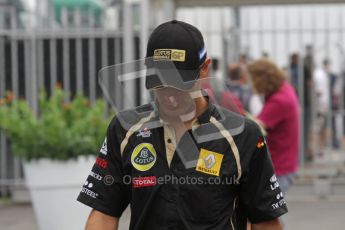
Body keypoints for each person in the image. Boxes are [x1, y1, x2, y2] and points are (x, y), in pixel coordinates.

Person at [77, 20, 287, 230]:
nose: (170, 96)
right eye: (160, 83)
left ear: (204, 68)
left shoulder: (242, 136)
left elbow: (265, 222)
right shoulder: (125, 130)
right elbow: (104, 213)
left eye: (179, 84)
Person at [248, 58, 300, 195]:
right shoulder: (285, 89)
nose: (251, 84)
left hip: (278, 167)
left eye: (252, 79)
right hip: (284, 164)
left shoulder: (279, 101)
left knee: (264, 214)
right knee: (266, 214)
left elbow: (255, 128)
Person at [313, 59, 331, 157]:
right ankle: (319, 149)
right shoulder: (319, 75)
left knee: (321, 128)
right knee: (319, 128)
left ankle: (320, 149)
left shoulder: (320, 74)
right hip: (320, 106)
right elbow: (319, 92)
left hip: (321, 106)